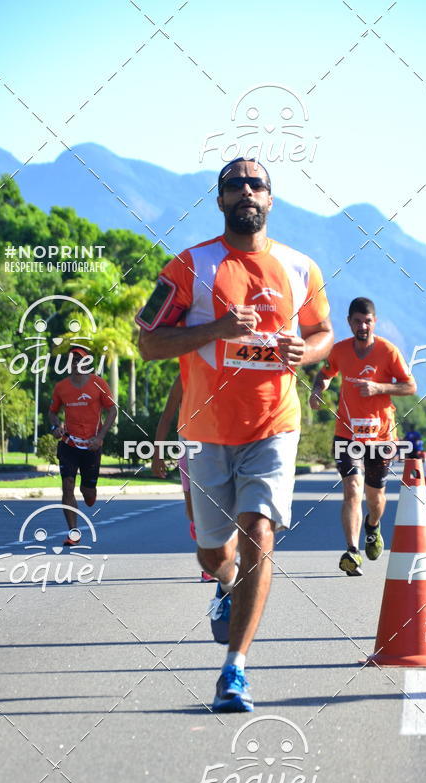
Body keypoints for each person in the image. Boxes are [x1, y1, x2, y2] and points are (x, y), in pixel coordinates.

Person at [137, 157, 333, 712]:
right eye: (234, 185)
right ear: (220, 200)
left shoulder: (300, 268)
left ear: (271, 199)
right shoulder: (187, 267)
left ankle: (235, 670)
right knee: (212, 554)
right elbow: (148, 344)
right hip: (205, 431)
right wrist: (218, 330)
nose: (246, 191)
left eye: (256, 184)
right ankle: (224, 586)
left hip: (275, 425)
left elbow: (322, 331)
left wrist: (308, 351)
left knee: (259, 531)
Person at [310, 297, 416, 576]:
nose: (362, 326)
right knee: (352, 490)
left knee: (375, 496)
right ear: (349, 323)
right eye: (357, 321)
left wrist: (378, 388)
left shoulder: (387, 351)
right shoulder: (340, 350)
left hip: (381, 436)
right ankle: (351, 551)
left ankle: (372, 526)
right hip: (347, 434)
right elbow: (325, 373)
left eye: (367, 321)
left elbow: (409, 386)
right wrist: (318, 389)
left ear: (374, 322)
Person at [151, 373, 216, 582]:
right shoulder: (183, 379)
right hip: (188, 450)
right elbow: (167, 416)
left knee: (216, 510)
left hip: (219, 452)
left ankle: (212, 565)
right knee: (193, 512)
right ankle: (200, 530)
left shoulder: (224, 374)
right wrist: (157, 454)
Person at [48, 346, 116, 544]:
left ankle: (90, 493)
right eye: (72, 360)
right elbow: (52, 411)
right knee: (67, 487)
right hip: (68, 443)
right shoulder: (61, 387)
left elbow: (112, 411)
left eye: (79, 359)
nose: (75, 363)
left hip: (92, 446)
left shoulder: (99, 384)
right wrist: (55, 426)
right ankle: (73, 533)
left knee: (88, 493)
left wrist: (100, 436)